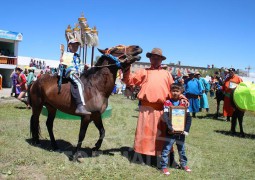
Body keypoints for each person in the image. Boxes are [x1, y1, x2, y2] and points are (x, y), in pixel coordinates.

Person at [122, 48, 188, 163]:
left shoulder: (167, 74)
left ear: (161, 60)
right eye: (153, 57)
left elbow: (174, 89)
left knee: (160, 135)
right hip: (146, 110)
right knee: (145, 134)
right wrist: (127, 67)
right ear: (150, 58)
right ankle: (142, 157)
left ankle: (163, 156)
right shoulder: (143, 71)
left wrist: (182, 97)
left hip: (161, 110)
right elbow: (129, 81)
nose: (155, 59)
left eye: (158, 58)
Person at [160, 83, 192, 175]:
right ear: (170, 91)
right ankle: (164, 167)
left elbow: (188, 117)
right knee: (166, 149)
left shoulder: (184, 103)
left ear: (181, 92)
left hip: (181, 132)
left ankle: (184, 164)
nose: (175, 93)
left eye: (177, 91)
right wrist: (170, 127)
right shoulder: (167, 103)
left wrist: (186, 129)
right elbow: (165, 116)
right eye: (173, 91)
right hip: (171, 131)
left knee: (182, 149)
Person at [60, 38, 91, 115]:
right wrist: (62, 62)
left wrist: (84, 67)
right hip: (69, 72)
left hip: (77, 73)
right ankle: (80, 106)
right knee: (78, 83)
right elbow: (66, 66)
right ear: (69, 46)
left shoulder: (77, 56)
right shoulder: (66, 54)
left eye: (77, 45)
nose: (75, 47)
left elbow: (80, 66)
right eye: (73, 45)